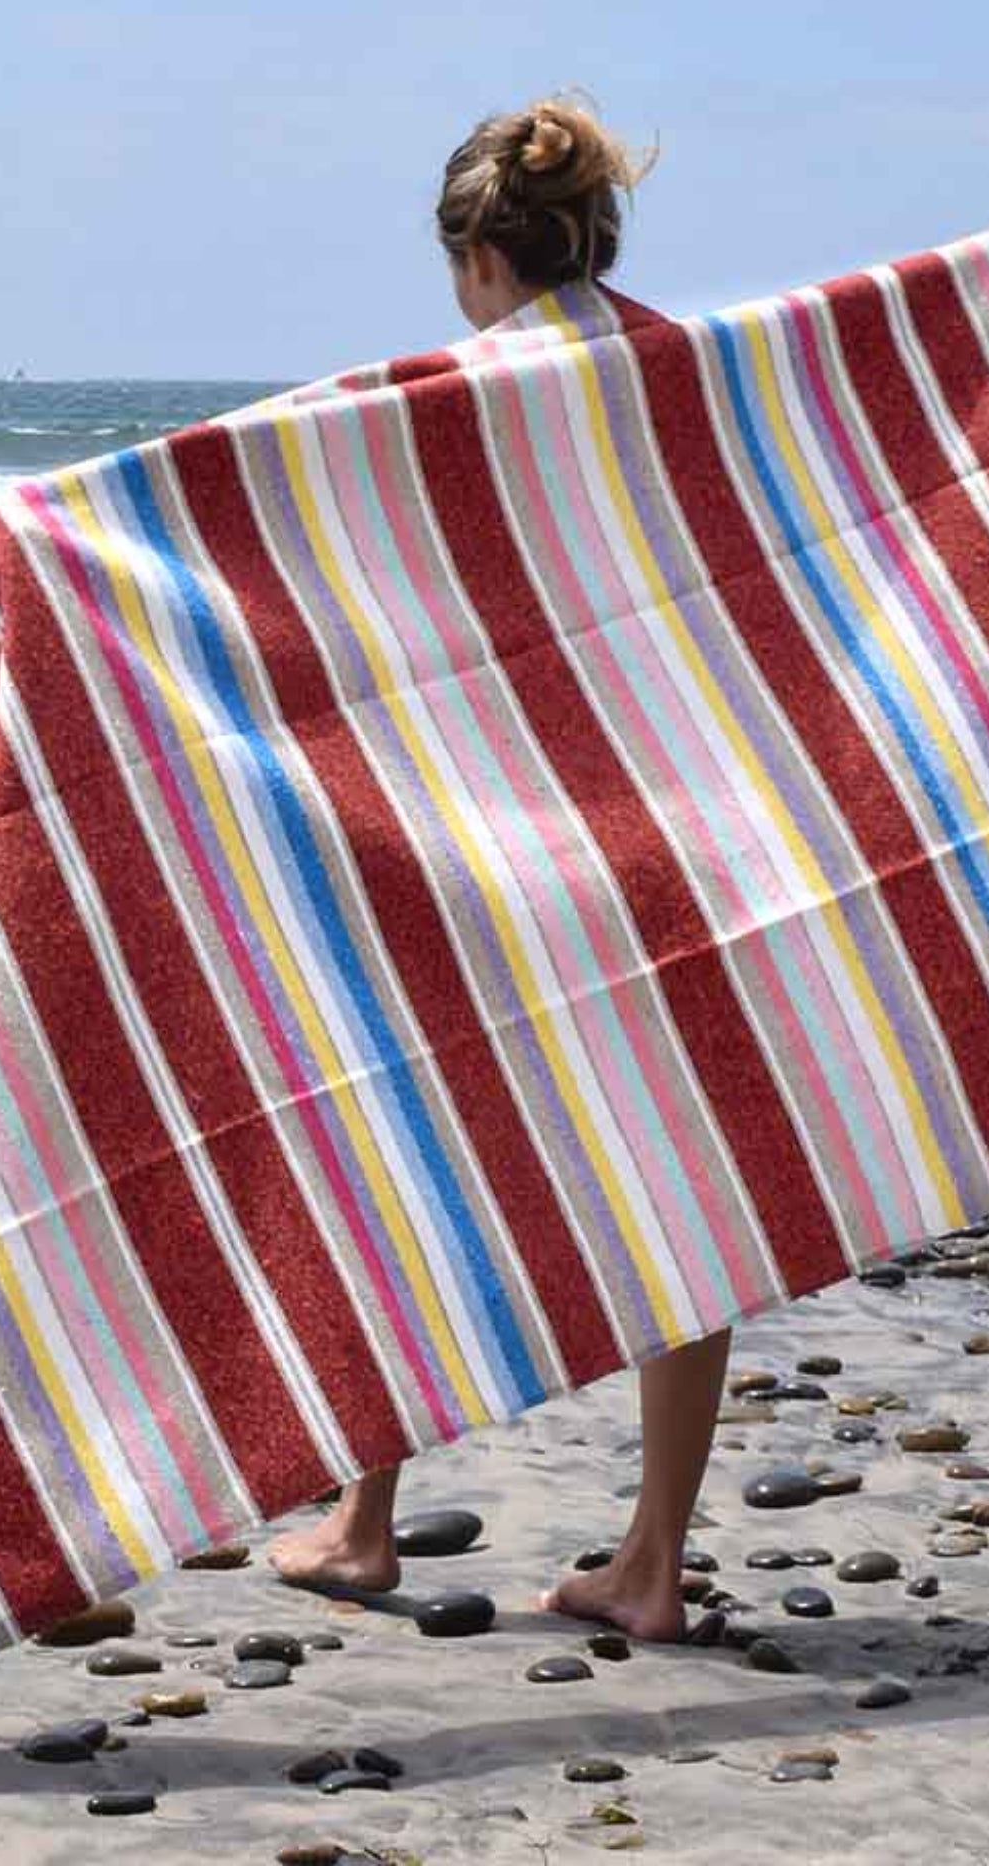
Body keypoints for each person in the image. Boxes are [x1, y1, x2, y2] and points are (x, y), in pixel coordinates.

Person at [267, 96, 733, 1645]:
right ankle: (651, 1564)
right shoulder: (703, 381)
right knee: (692, 1197)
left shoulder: (422, 408)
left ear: (476, 255)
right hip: (682, 836)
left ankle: (362, 1521)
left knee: (414, 1140)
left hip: (488, 845)